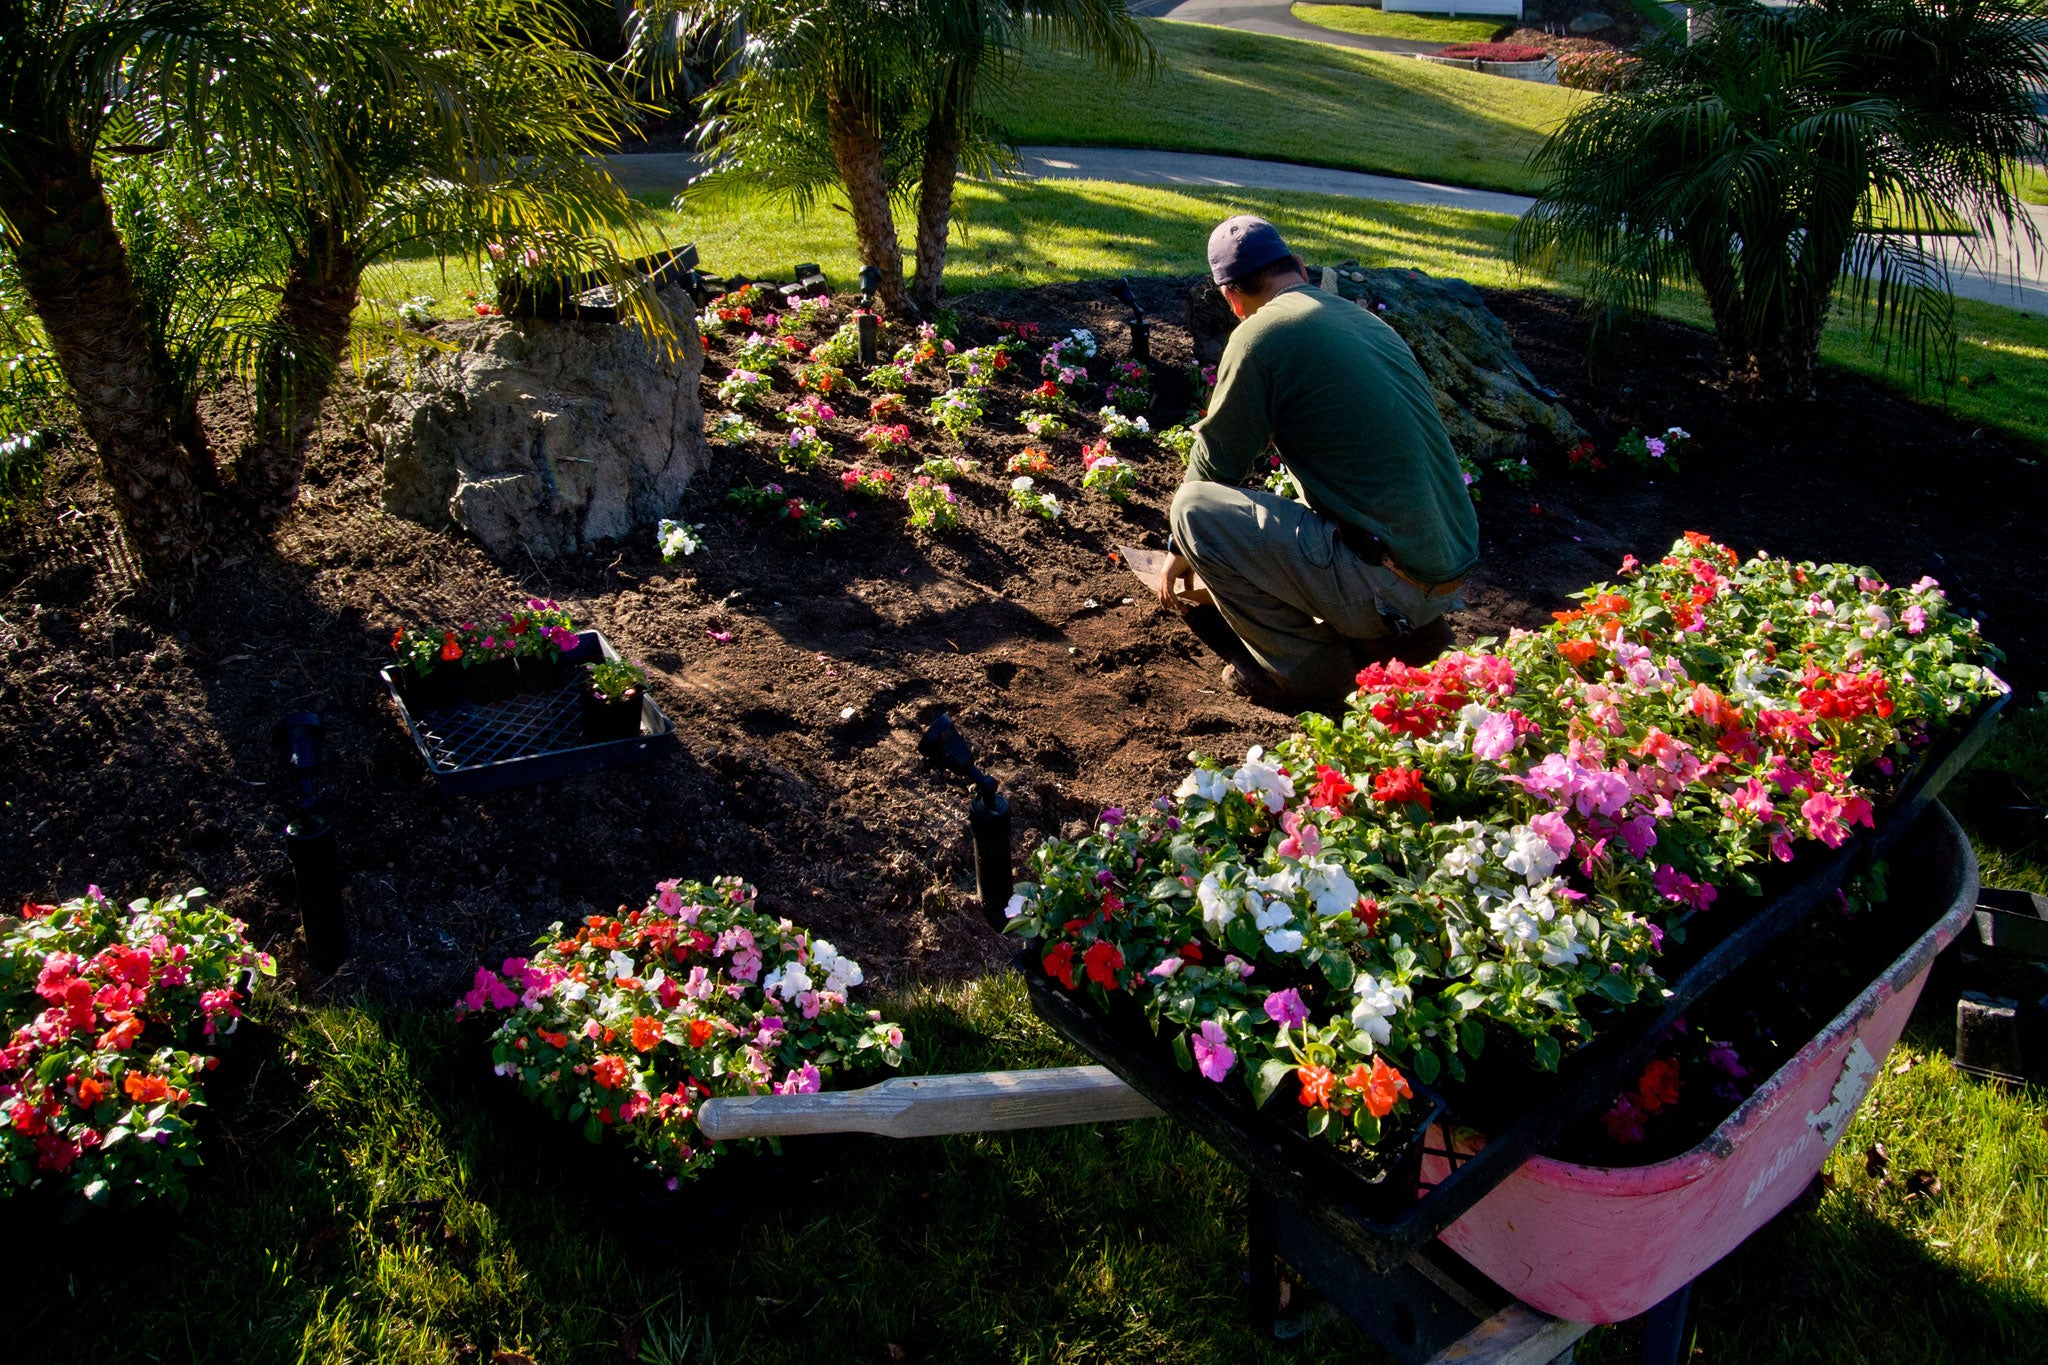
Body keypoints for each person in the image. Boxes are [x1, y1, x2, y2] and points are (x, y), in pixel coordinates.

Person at [1159, 215, 1479, 709]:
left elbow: (1218, 461)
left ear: (1231, 298)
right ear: (1301, 268)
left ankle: (1317, 678)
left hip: (1390, 586)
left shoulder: (1261, 334)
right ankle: (1396, 634)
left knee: (1193, 509)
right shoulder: (1365, 321)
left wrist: (1179, 546)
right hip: (1446, 571)